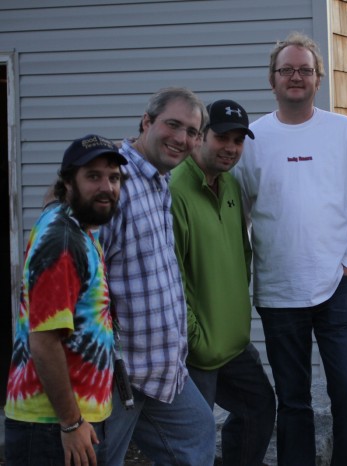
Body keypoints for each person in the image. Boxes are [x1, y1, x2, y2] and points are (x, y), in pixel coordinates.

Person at [235, 32, 347, 466]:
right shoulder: (252, 139)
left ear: (319, 79)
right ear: (271, 80)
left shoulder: (342, 131)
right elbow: (236, 212)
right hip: (279, 292)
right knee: (292, 402)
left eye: (305, 70)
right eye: (286, 70)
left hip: (336, 287)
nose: (296, 77)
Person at [98, 87, 217, 465]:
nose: (182, 138)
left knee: (197, 433)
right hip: (117, 373)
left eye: (192, 131)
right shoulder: (114, 184)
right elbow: (80, 279)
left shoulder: (160, 180)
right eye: (172, 125)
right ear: (146, 122)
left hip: (163, 369)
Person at [4, 134, 127, 465]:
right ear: (68, 182)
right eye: (93, 176)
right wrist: (71, 423)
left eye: (113, 178)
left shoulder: (75, 223)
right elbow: (44, 341)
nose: (106, 187)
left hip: (68, 418)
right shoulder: (63, 240)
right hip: (51, 424)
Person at [170, 99, 276, 465]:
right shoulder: (176, 190)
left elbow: (242, 256)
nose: (231, 148)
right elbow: (173, 278)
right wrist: (195, 338)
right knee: (192, 444)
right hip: (196, 351)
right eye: (221, 137)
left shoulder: (230, 185)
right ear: (199, 136)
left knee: (259, 407)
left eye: (238, 140)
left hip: (233, 344)